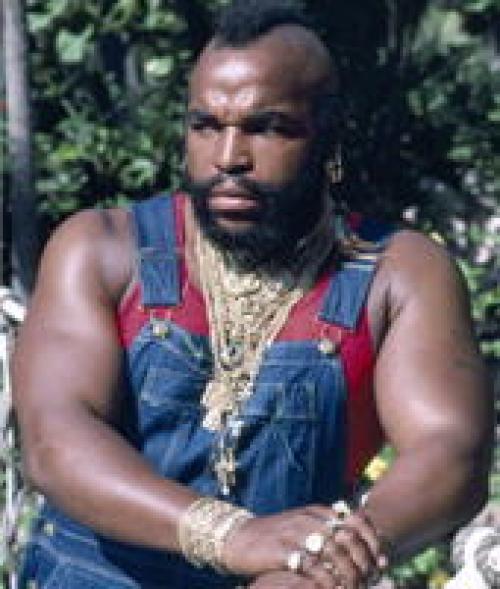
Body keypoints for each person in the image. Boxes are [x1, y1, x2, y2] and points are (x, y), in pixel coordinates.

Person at [13, 1, 492, 588]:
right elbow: (56, 437)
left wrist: (329, 560)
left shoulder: (397, 275)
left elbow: (450, 450)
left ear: (329, 141)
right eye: (206, 126)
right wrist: (229, 535)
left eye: (267, 128)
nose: (229, 158)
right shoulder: (102, 250)